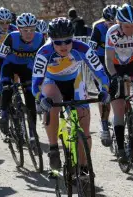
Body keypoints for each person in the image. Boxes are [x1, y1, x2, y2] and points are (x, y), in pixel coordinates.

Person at [32, 17, 110, 170]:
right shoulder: (44, 52)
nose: (64, 46)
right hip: (52, 81)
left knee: (85, 129)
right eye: (58, 42)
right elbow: (36, 83)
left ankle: (83, 167)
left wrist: (104, 90)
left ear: (72, 38)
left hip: (74, 81)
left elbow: (100, 73)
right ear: (51, 40)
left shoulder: (82, 48)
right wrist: (40, 98)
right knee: (52, 105)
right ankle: (54, 149)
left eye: (67, 41)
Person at [104, 4, 133, 162]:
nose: (131, 29)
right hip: (116, 65)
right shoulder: (112, 33)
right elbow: (109, 59)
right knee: (118, 106)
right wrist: (114, 76)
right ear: (119, 24)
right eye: (127, 26)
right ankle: (121, 148)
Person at [0, 12, 45, 138]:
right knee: (7, 88)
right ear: (19, 30)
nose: (29, 33)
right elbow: (0, 60)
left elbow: (45, 60)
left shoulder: (40, 39)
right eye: (25, 30)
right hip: (9, 65)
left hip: (26, 68)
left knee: (30, 99)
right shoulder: (12, 38)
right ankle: (4, 113)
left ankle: (32, 131)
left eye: (32, 29)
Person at [89, 4, 117, 145]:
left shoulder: (122, 27)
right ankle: (104, 123)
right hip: (100, 59)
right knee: (104, 90)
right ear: (104, 20)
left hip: (115, 58)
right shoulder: (98, 27)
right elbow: (92, 47)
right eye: (109, 22)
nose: (112, 25)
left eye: (114, 22)